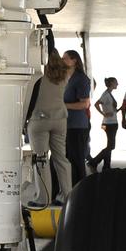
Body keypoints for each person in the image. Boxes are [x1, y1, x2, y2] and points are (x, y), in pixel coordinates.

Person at [24, 52, 71, 206]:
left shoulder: (36, 75)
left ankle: (43, 199)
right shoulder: (64, 74)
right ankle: (66, 197)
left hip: (39, 120)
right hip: (60, 119)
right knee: (61, 159)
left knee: (41, 159)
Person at [62, 49, 92, 185]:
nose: (63, 61)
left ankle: (80, 187)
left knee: (77, 158)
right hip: (66, 123)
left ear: (74, 60)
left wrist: (64, 105)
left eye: (65, 58)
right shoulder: (63, 78)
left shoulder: (80, 79)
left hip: (78, 125)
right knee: (66, 157)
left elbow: (84, 103)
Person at [88, 76, 120, 171]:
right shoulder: (106, 95)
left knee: (109, 145)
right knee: (111, 146)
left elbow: (111, 110)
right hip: (109, 123)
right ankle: (94, 162)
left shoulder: (109, 94)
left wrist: (118, 110)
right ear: (111, 84)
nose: (117, 84)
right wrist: (103, 114)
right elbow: (96, 104)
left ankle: (106, 166)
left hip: (112, 122)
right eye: (116, 82)